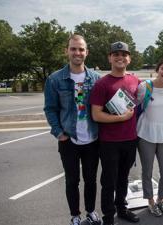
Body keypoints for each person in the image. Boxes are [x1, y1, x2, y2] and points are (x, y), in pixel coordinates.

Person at [43, 34, 102, 225]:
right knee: (72, 181)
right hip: (69, 139)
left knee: (91, 180)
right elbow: (50, 109)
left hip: (92, 139)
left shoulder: (96, 79)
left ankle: (91, 212)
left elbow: (104, 105)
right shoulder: (55, 79)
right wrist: (59, 133)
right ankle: (75, 216)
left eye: (81, 49)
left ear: (87, 52)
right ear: (66, 51)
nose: (77, 52)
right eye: (73, 49)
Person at [90, 41, 140, 225]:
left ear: (129, 58)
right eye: (116, 54)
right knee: (109, 181)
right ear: (110, 57)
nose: (120, 57)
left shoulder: (135, 80)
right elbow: (96, 114)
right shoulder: (101, 84)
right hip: (109, 142)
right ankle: (108, 217)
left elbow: (155, 87)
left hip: (130, 140)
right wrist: (120, 118)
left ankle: (122, 209)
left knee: (123, 178)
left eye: (124, 54)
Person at [136, 57, 163, 217]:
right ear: (157, 69)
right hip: (146, 132)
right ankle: (151, 202)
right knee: (147, 171)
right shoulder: (145, 86)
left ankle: (160, 199)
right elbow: (135, 104)